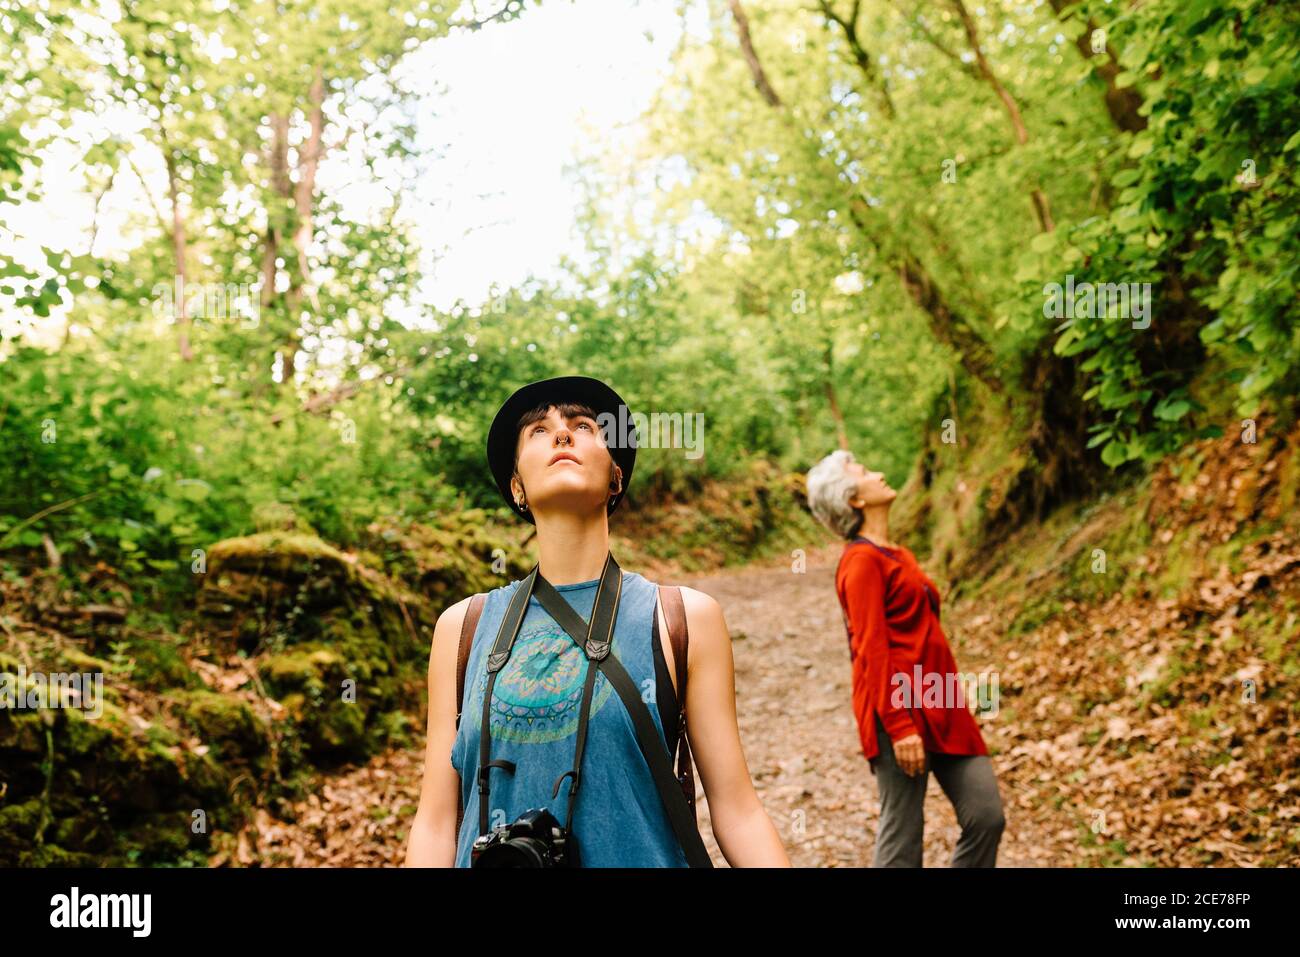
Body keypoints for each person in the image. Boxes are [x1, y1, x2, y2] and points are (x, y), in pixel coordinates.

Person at [405, 374, 789, 867]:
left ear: (616, 476)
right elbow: (436, 821)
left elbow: (737, 811)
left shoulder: (681, 618)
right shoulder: (463, 629)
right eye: (538, 431)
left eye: (583, 425)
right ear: (517, 487)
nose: (562, 434)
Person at [806, 448, 1005, 867]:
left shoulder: (897, 553)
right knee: (903, 837)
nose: (877, 471)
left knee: (986, 816)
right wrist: (898, 726)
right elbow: (870, 649)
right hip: (896, 709)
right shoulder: (860, 562)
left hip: (943, 701)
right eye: (863, 471)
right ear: (853, 499)